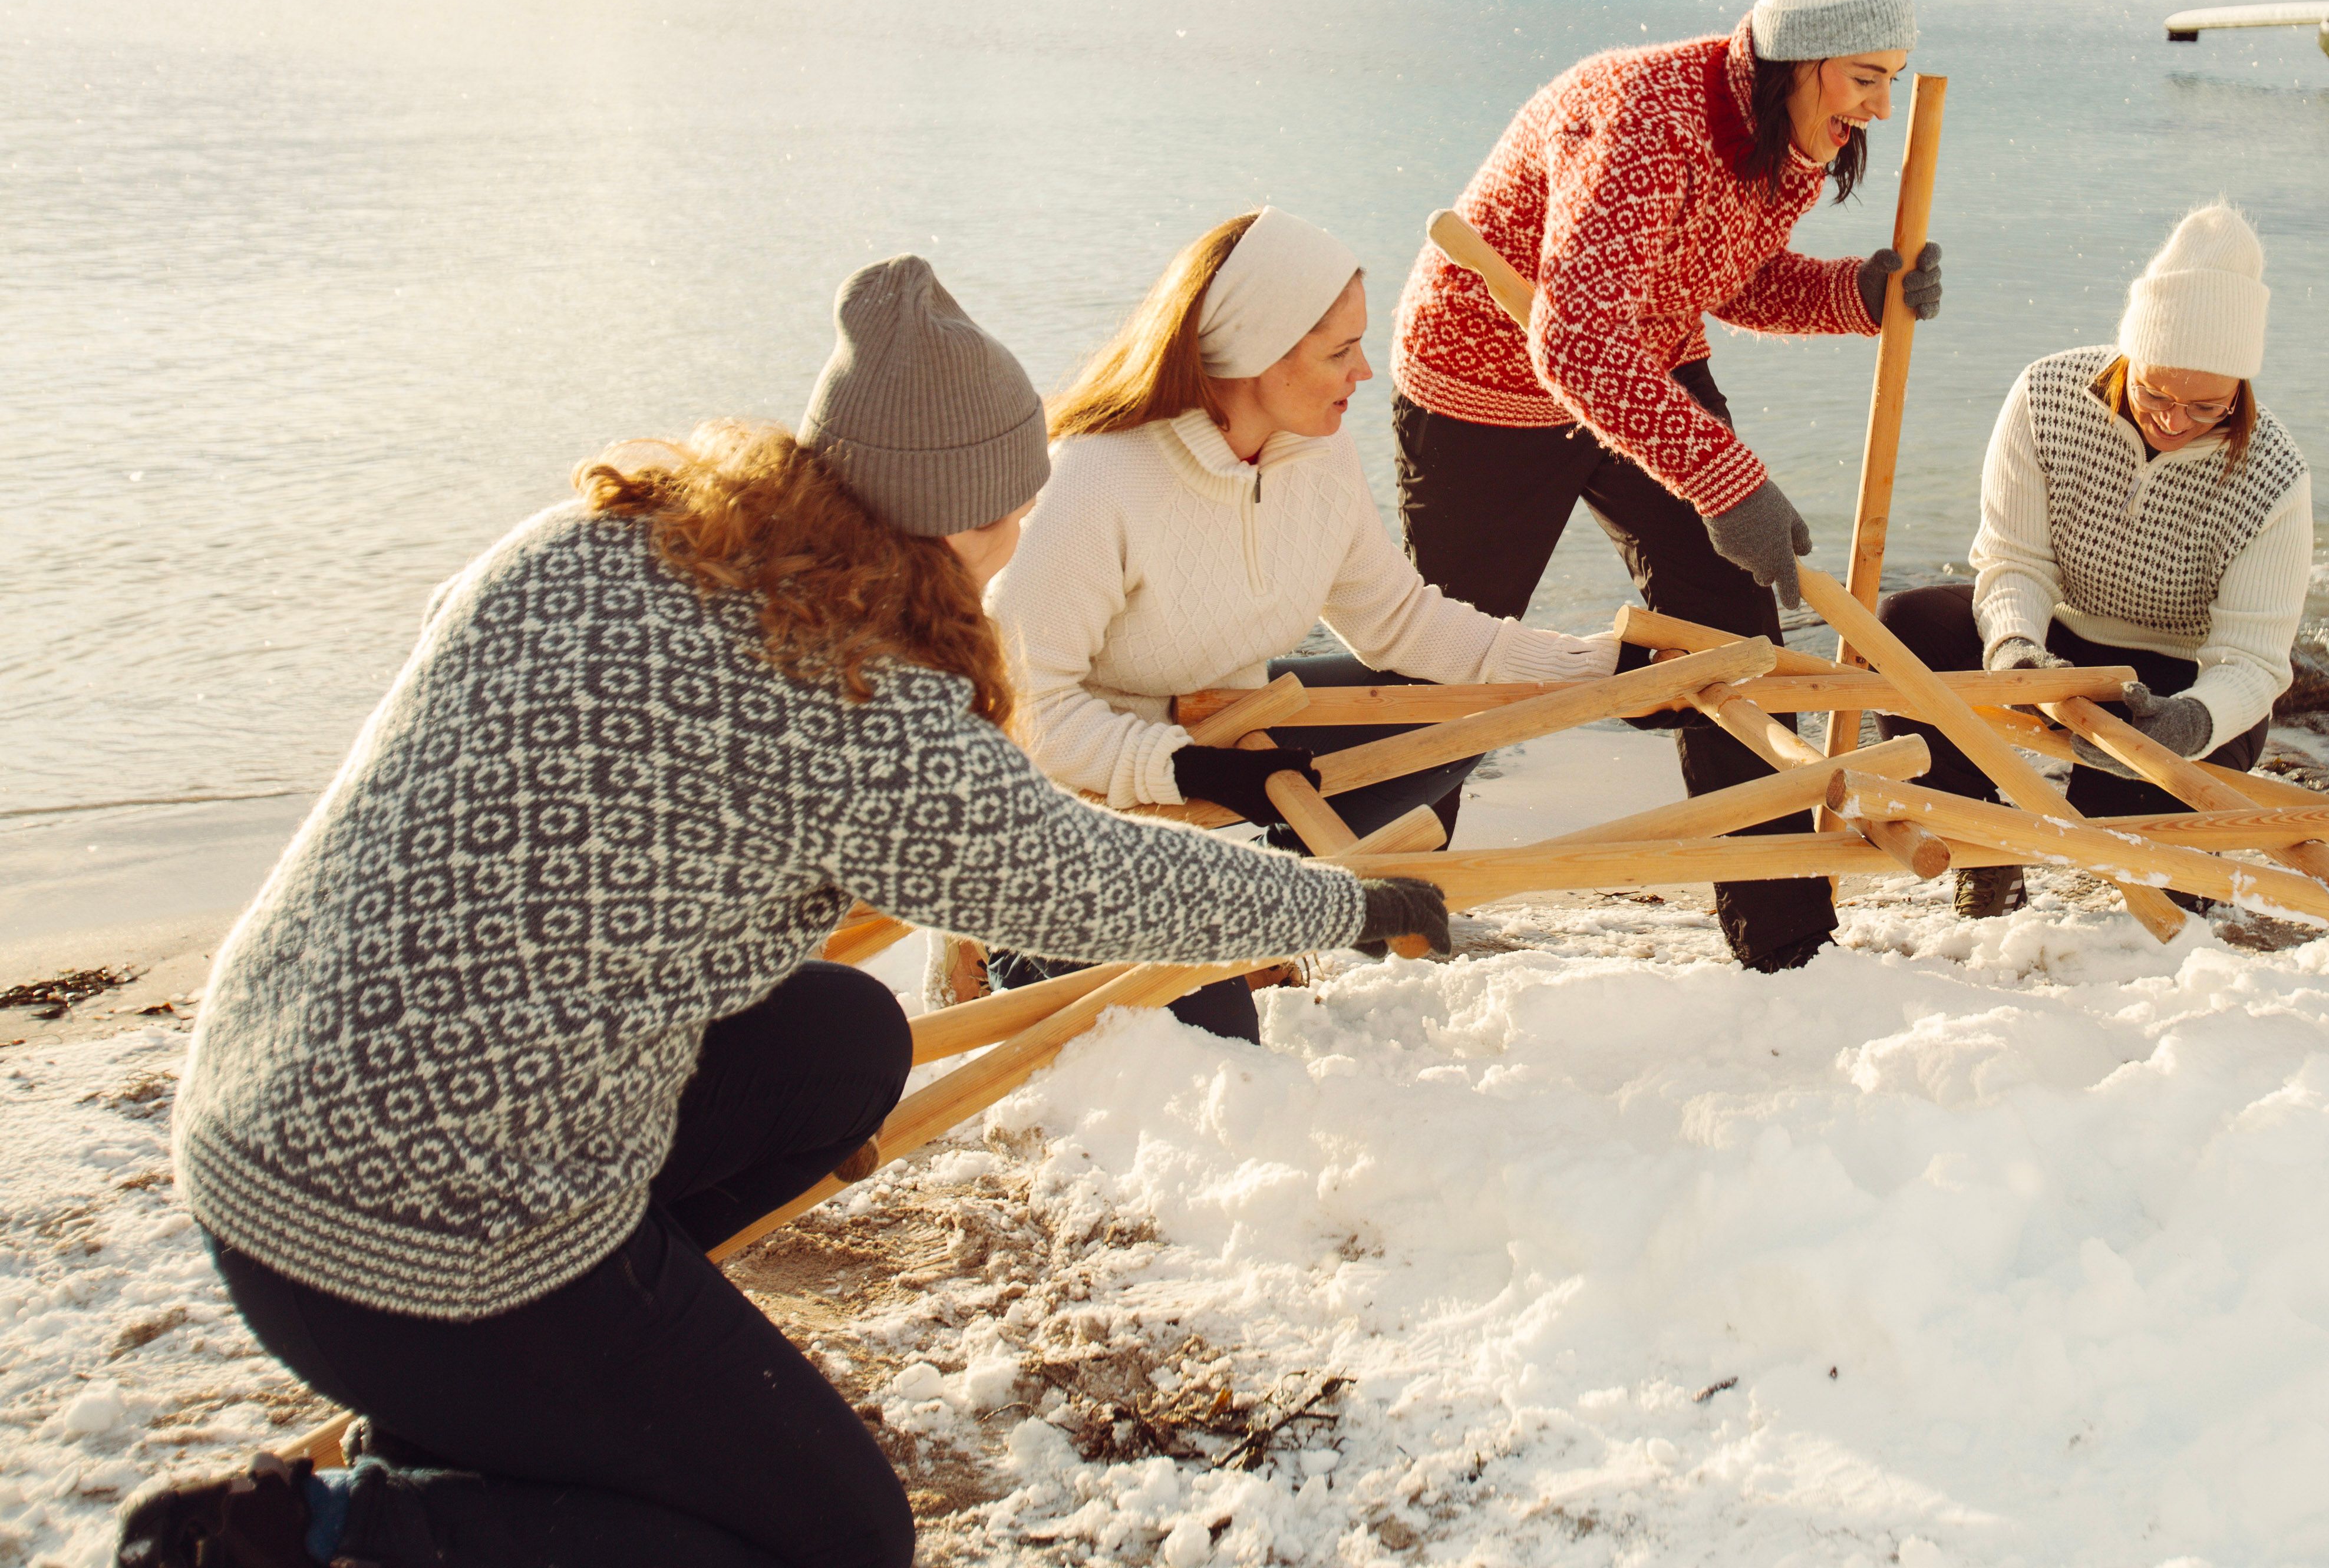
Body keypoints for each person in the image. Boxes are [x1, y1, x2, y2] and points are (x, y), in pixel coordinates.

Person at [124, 258, 1443, 1568]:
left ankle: (529, 1403)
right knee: (840, 1539)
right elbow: (1089, 877)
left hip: (256, 1109)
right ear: (948, 514)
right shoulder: (855, 703)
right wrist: (1343, 900)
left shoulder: (592, 537)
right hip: (432, 1230)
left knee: (840, 1041)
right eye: (1012, 507)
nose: (1024, 535)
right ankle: (334, 1535)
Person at [1388, 0, 1945, 972]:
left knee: (1737, 642)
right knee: (1446, 669)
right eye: (1867, 81)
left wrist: (1856, 295)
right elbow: (1575, 343)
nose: (1880, 109)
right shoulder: (1643, 117)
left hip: (1640, 355)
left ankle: (1784, 938)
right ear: (1803, 58)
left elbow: (1725, 275)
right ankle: (1385, 915)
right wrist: (1728, 480)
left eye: (1891, 84)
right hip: (1489, 379)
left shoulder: (1795, 137)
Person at [979, 206, 1634, 1036]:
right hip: (1077, 827)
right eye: (1337, 351)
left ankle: (1261, 895)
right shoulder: (1098, 479)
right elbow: (1023, 710)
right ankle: (1016, 949)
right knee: (1214, 1044)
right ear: (1253, 352)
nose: (1366, 370)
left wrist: (1598, 671)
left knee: (1469, 706)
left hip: (1219, 771)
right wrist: (1187, 771)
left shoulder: (1317, 456)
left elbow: (1402, 622)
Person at [1875, 203, 2312, 921]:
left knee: (2140, 856)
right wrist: (2015, 648)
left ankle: (2160, 839)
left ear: (2240, 385)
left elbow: (2256, 663)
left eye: (2204, 406)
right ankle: (1985, 844)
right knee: (1903, 626)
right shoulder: (2049, 396)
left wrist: (2188, 724)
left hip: (2182, 682)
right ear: (2129, 356)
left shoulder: (2274, 473)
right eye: (2155, 393)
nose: (2173, 421)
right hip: (2063, 646)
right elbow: (2013, 561)